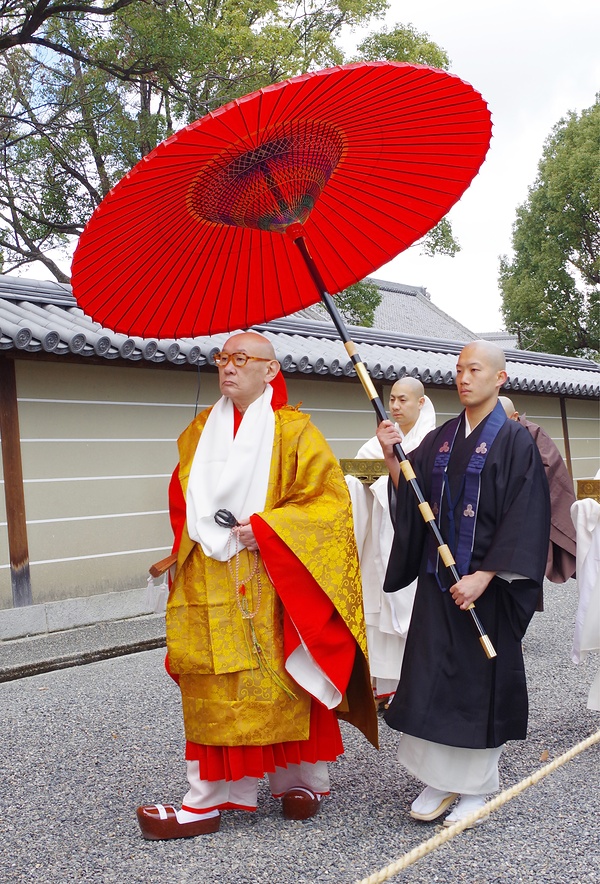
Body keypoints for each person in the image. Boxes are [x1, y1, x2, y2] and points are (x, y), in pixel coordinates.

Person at [137, 331, 377, 840]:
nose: (228, 367)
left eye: (241, 358)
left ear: (270, 370)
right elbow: (182, 503)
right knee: (213, 682)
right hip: (210, 574)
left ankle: (301, 781)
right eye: (222, 358)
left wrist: (267, 529)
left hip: (274, 579)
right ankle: (208, 797)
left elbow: (328, 506)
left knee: (283, 679)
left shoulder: (295, 432)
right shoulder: (199, 431)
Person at [376, 340, 550, 827]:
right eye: (458, 370)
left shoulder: (516, 442)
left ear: (500, 378)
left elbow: (526, 516)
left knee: (478, 682)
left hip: (487, 589)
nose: (464, 378)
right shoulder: (443, 437)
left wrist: (484, 576)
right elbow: (414, 496)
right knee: (433, 676)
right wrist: (392, 456)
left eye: (474, 370)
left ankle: (476, 785)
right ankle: (439, 778)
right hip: (440, 584)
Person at [345, 378, 436, 701]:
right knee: (379, 610)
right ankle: (385, 687)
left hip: (416, 544)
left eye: (403, 400)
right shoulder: (375, 445)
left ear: (421, 403)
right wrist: (357, 485)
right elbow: (356, 481)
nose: (395, 406)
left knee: (417, 612)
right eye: (392, 400)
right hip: (378, 541)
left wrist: (385, 481)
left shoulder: (433, 442)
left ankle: (415, 689)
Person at [499, 396, 576, 586]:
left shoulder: (533, 434)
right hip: (496, 515)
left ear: (515, 416)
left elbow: (551, 472)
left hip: (527, 510)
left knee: (524, 573)